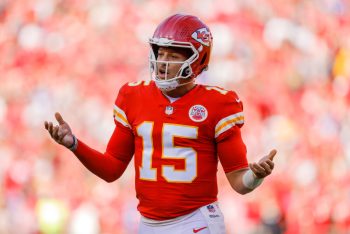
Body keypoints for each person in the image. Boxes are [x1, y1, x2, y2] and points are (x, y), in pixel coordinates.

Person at [44, 14, 277, 234]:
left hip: (195, 221)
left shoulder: (218, 103)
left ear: (198, 59)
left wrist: (255, 176)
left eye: (174, 56)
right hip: (148, 224)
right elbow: (111, 169)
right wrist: (74, 144)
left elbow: (239, 182)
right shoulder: (133, 96)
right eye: (161, 53)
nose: (163, 62)